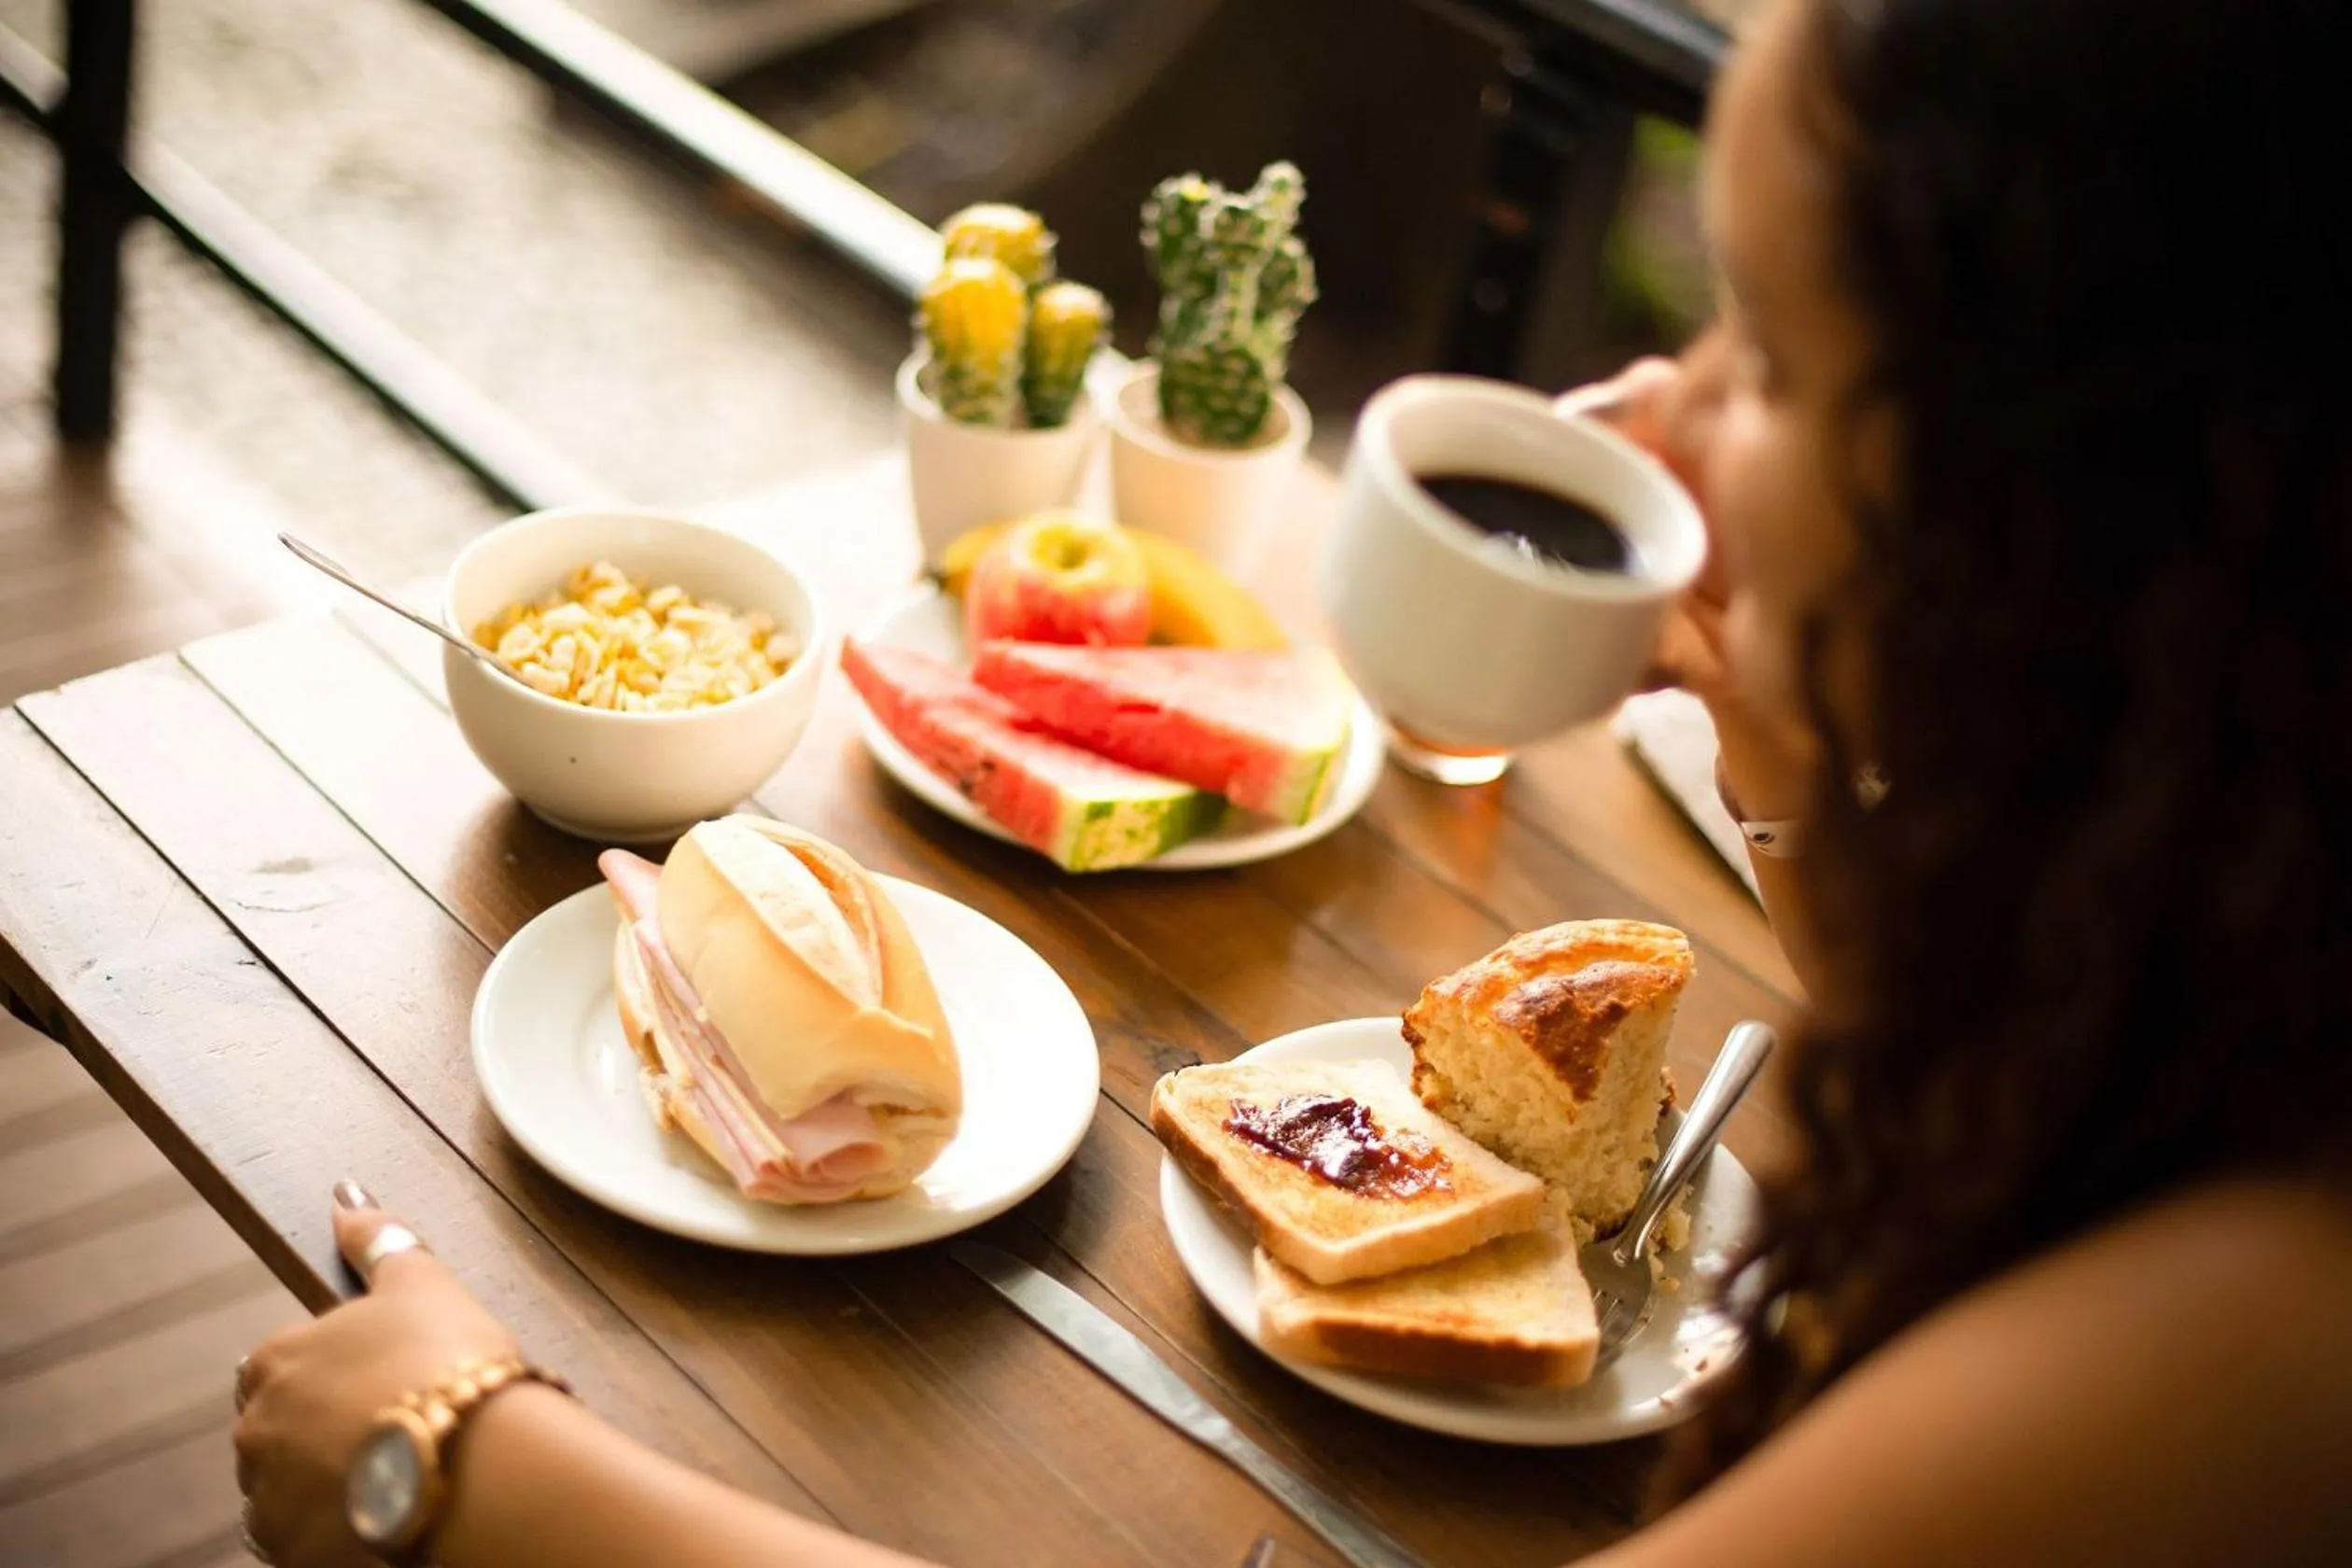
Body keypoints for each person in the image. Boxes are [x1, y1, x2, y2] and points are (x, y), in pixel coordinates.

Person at [232, 0, 2352, 1561]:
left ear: (2097, 515)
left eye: (1772, 358)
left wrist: (476, 1464)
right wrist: (1812, 758)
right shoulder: (2212, 1017)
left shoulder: (2263, 1321)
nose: (1647, 412)